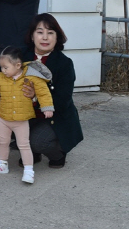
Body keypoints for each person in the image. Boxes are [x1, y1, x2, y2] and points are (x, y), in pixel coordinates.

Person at [0, 46, 54, 184]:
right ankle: (2, 164)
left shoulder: (31, 77)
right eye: (1, 67)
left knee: (24, 145)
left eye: (6, 67)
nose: (3, 70)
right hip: (4, 118)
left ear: (18, 65)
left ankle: (29, 170)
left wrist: (47, 107)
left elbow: (43, 92)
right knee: (3, 141)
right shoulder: (0, 77)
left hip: (21, 120)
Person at [21, 13, 84, 169]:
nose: (45, 37)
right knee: (6, 130)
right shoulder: (20, 57)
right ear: (32, 35)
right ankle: (31, 152)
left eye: (50, 33)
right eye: (40, 32)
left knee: (38, 142)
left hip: (55, 115)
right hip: (25, 114)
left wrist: (35, 97)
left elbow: (63, 101)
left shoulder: (64, 63)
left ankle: (58, 153)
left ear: (57, 38)